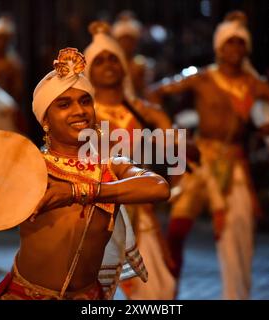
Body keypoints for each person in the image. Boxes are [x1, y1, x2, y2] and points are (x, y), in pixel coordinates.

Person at [0, 47, 170, 300]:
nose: (79, 111)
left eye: (85, 101)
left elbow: (158, 187)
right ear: (46, 120)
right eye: (64, 104)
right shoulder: (31, 166)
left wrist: (79, 191)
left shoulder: (110, 165)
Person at [147, 13, 269, 299]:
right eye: (230, 43)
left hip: (234, 163)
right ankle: (166, 295)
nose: (235, 49)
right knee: (177, 229)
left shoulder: (253, 84)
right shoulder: (202, 78)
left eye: (241, 43)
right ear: (218, 47)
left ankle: (236, 295)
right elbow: (154, 93)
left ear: (247, 48)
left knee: (237, 236)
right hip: (198, 160)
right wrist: (174, 132)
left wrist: (268, 126)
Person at [83, 21, 176, 299]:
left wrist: (183, 146)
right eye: (100, 61)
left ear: (124, 66)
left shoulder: (147, 112)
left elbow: (176, 151)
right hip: (95, 210)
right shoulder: (81, 113)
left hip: (140, 206)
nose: (109, 64)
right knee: (96, 290)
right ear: (89, 70)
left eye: (114, 58)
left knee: (158, 289)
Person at [112, 11, 155, 97]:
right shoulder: (111, 64)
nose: (126, 44)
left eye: (130, 40)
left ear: (136, 43)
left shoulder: (143, 63)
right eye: (123, 40)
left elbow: (146, 90)